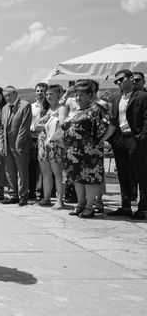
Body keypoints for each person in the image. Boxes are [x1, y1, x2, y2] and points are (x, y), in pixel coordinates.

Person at [63, 80, 112, 218]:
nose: (78, 98)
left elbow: (111, 125)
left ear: (90, 95)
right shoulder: (75, 110)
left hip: (90, 151)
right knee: (77, 178)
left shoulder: (97, 108)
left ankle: (90, 206)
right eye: (76, 95)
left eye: (82, 95)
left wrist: (102, 140)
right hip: (74, 150)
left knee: (90, 178)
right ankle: (80, 204)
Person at [107, 70, 147, 219]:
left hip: (136, 139)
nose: (118, 83)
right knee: (123, 174)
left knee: (141, 174)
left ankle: (143, 208)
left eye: (121, 79)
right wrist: (111, 140)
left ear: (130, 79)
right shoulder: (117, 99)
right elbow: (113, 121)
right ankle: (125, 206)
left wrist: (142, 138)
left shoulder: (143, 96)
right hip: (120, 140)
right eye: (116, 81)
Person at [0, 86, 32, 206]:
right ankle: (13, 195)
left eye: (9, 95)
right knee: (9, 171)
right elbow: (2, 127)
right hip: (7, 145)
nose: (7, 98)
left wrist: (19, 144)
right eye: (5, 96)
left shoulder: (25, 105)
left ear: (15, 93)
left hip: (20, 145)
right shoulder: (4, 108)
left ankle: (23, 196)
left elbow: (24, 127)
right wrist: (1, 144)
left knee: (22, 172)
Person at [36, 84, 67, 209]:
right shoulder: (46, 109)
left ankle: (60, 199)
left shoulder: (62, 109)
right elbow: (38, 124)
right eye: (47, 94)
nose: (48, 96)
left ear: (58, 95)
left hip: (55, 144)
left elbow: (62, 124)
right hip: (43, 143)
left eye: (51, 94)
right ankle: (46, 198)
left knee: (58, 173)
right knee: (46, 173)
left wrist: (46, 123)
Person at [29, 83, 48, 201]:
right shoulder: (31, 107)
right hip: (32, 138)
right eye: (38, 91)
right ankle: (31, 191)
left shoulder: (49, 107)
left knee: (44, 169)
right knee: (31, 167)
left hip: (45, 139)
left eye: (42, 91)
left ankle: (43, 192)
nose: (40, 93)